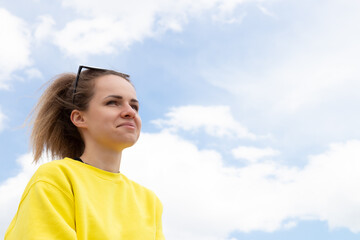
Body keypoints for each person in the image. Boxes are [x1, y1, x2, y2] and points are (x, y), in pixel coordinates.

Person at [5, 65, 165, 239]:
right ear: (79, 118)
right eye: (112, 102)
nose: (129, 112)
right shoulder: (58, 178)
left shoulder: (149, 201)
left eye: (134, 106)